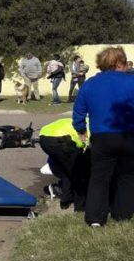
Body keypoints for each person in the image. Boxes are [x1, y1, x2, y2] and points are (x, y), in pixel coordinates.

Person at [73, 47, 134, 227]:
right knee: (127, 176)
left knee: (99, 177)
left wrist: (81, 129)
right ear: (119, 63)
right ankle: (123, 214)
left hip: (101, 137)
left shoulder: (90, 84)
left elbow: (78, 112)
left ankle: (95, 218)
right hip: (129, 135)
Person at [38, 118, 90, 211]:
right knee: (77, 173)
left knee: (65, 170)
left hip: (43, 137)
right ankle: (80, 207)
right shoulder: (91, 128)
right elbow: (86, 148)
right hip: (62, 140)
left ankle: (65, 200)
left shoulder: (79, 119)